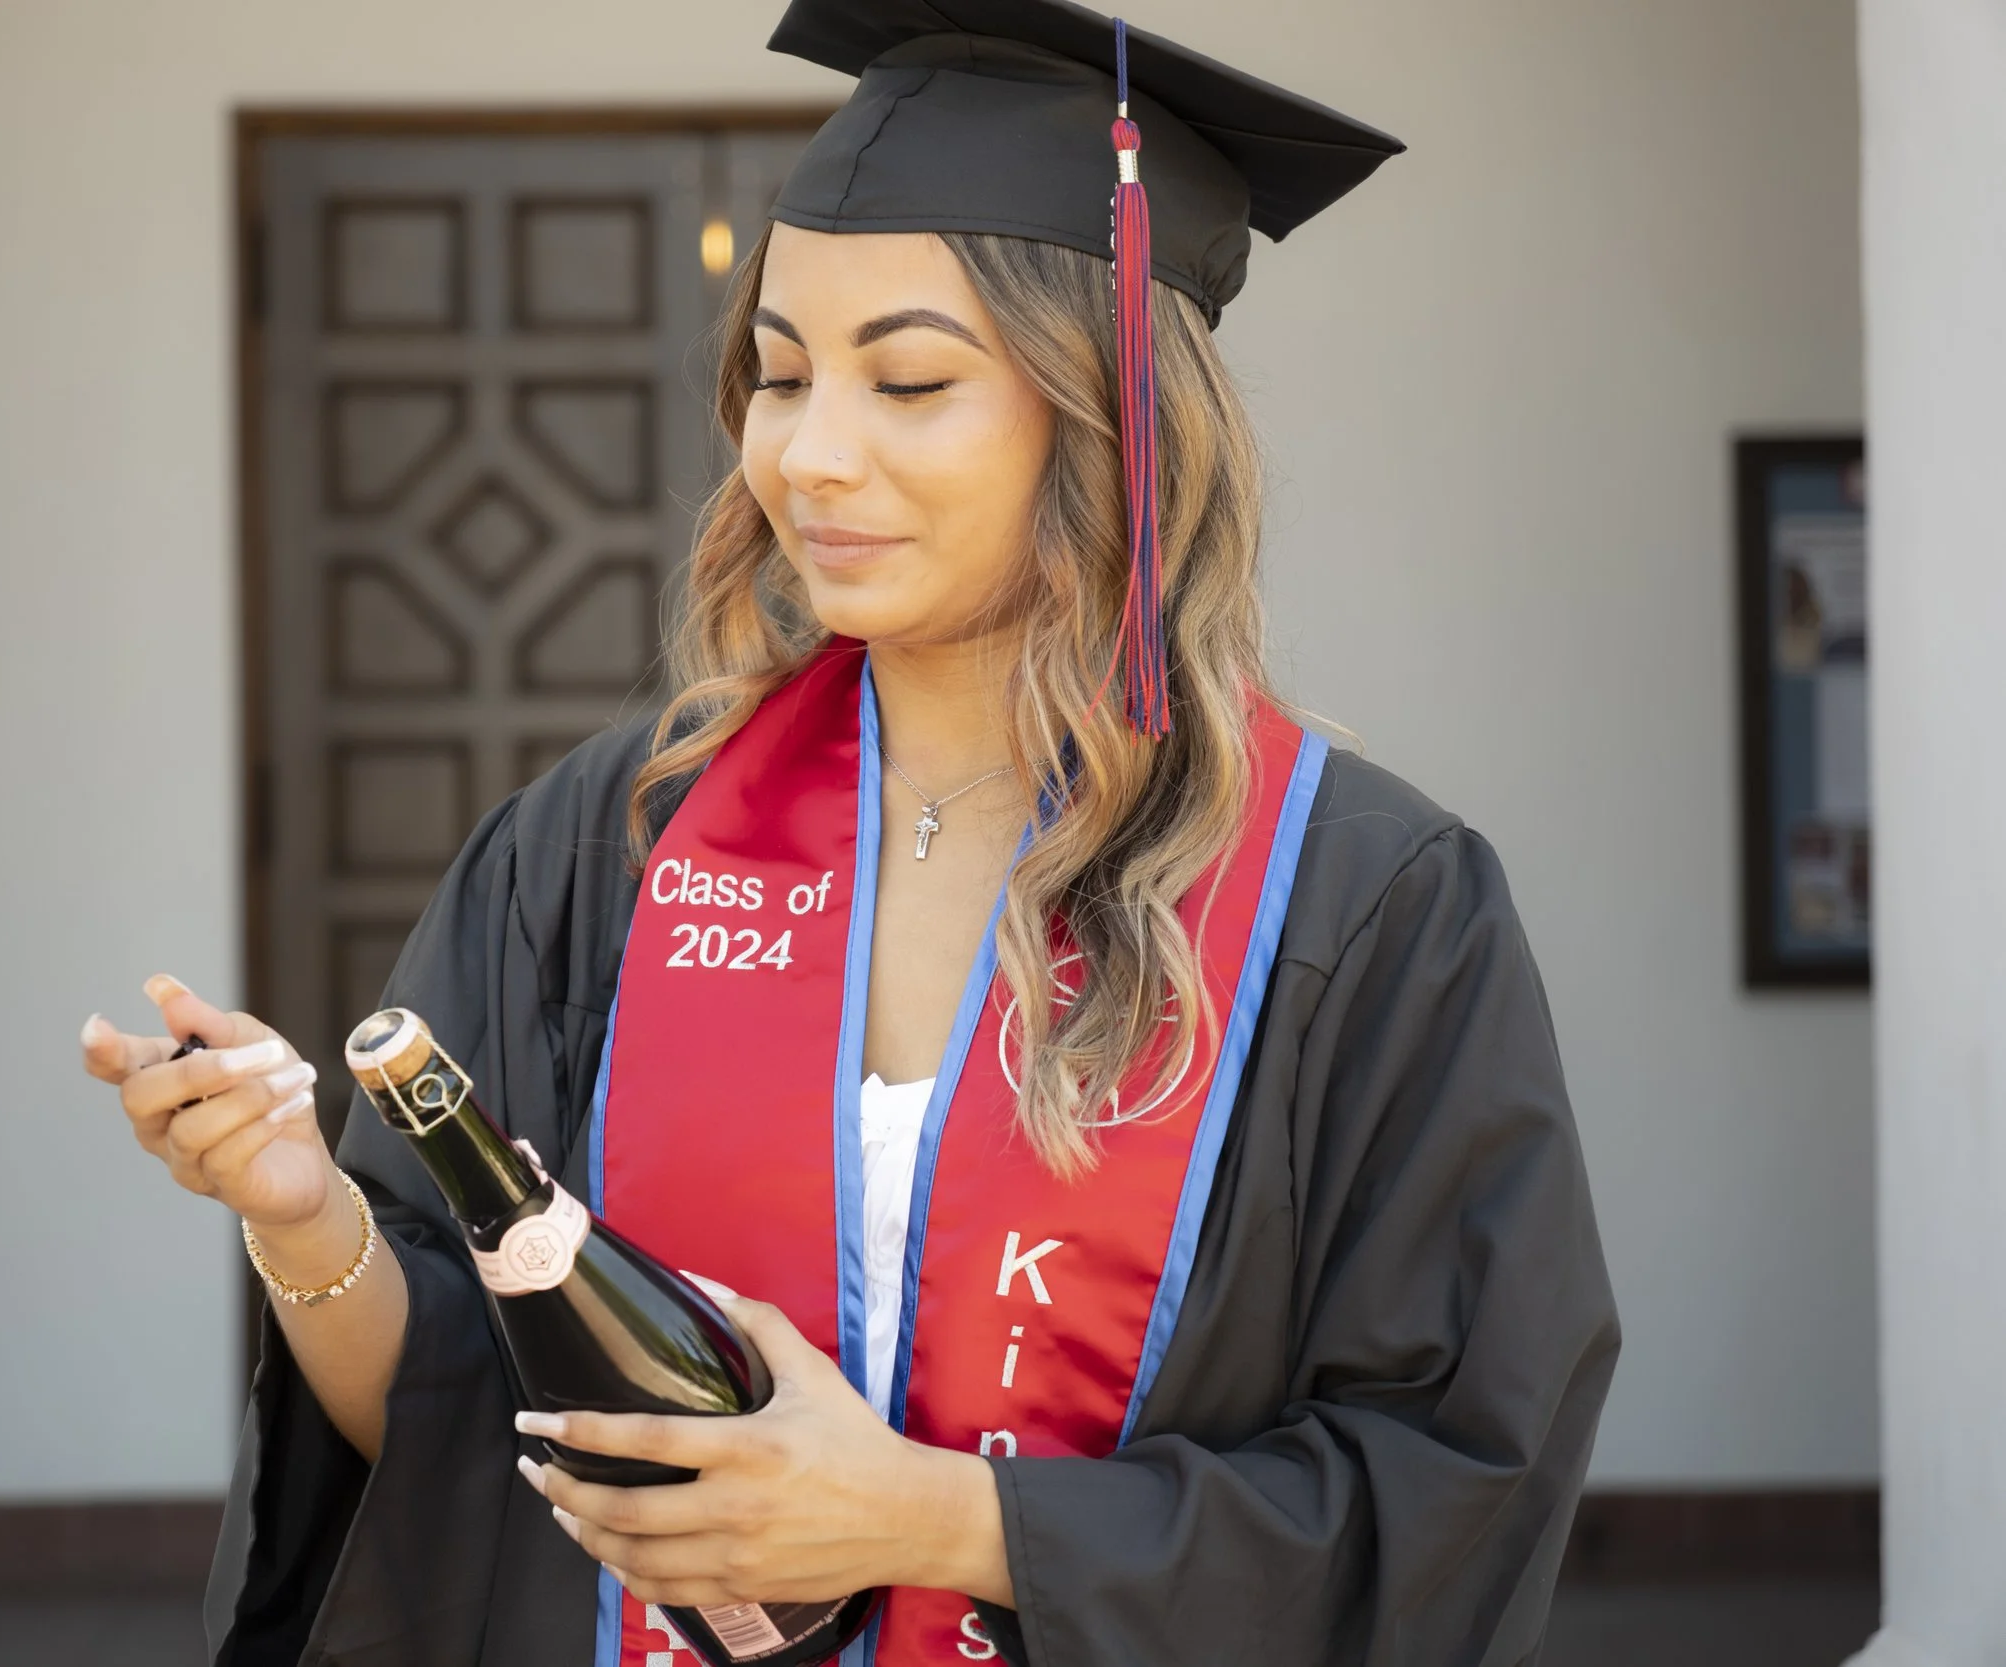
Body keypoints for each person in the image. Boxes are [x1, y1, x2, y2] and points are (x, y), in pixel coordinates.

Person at [80, 2, 1619, 1662]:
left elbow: (1454, 1479)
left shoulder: (1362, 904)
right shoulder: (610, 850)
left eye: (909, 379)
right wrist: (306, 1214)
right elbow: (466, 1425)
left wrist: (930, 1517)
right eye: (781, 373)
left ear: (1112, 421)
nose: (814, 453)